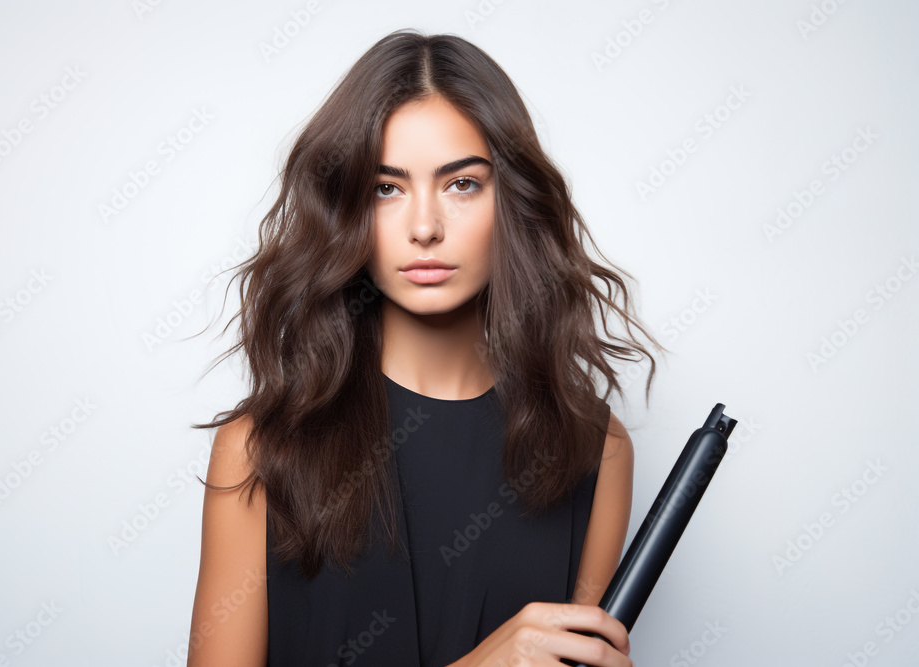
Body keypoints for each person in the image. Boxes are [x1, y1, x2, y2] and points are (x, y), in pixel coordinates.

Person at [186, 29, 662, 667]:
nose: (424, 227)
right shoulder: (260, 449)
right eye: (386, 188)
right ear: (346, 211)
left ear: (511, 201)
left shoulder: (594, 450)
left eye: (462, 184)